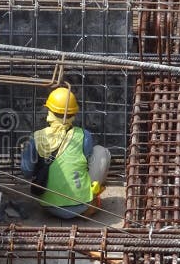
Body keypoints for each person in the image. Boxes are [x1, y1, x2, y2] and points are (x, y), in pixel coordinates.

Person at [20, 87, 111, 219]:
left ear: (49, 111)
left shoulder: (36, 138)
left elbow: (26, 172)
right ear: (73, 113)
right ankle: (91, 195)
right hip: (82, 204)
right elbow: (86, 165)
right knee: (101, 152)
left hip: (48, 206)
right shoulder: (84, 136)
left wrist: (29, 153)